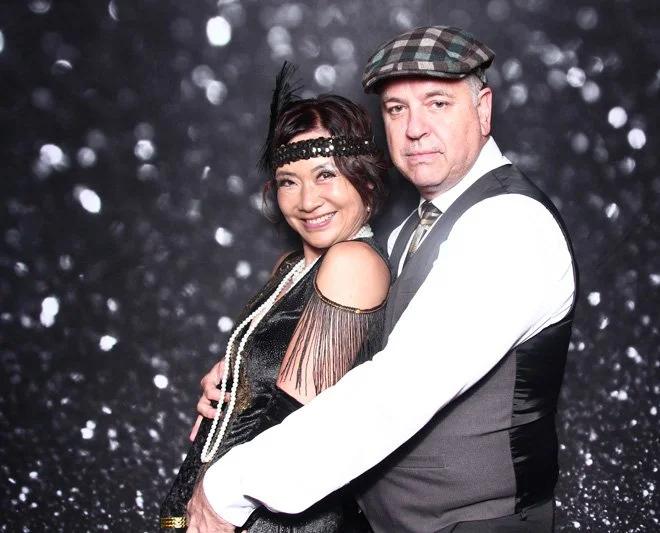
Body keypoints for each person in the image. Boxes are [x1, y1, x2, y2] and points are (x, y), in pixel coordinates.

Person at [187, 26, 579, 533]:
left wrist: (233, 485)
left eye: (437, 103)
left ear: (483, 110)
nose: (414, 129)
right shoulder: (410, 232)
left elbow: (397, 390)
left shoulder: (509, 225)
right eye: (396, 109)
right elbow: (344, 365)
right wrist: (246, 378)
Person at [160, 64, 391, 532]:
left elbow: (297, 427)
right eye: (289, 180)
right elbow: (266, 386)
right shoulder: (291, 267)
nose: (306, 200)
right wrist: (232, 383)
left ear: (365, 179)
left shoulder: (353, 262)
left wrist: (221, 504)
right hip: (212, 502)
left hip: (264, 518)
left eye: (325, 175)